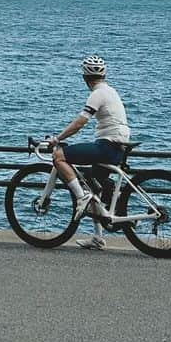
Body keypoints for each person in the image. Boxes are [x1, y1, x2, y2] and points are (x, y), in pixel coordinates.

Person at [48, 54, 130, 251]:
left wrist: (57, 139)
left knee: (59, 156)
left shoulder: (97, 94)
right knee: (94, 188)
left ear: (85, 76)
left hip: (107, 146)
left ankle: (80, 197)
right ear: (104, 73)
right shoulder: (111, 91)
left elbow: (80, 123)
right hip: (117, 146)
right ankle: (98, 238)